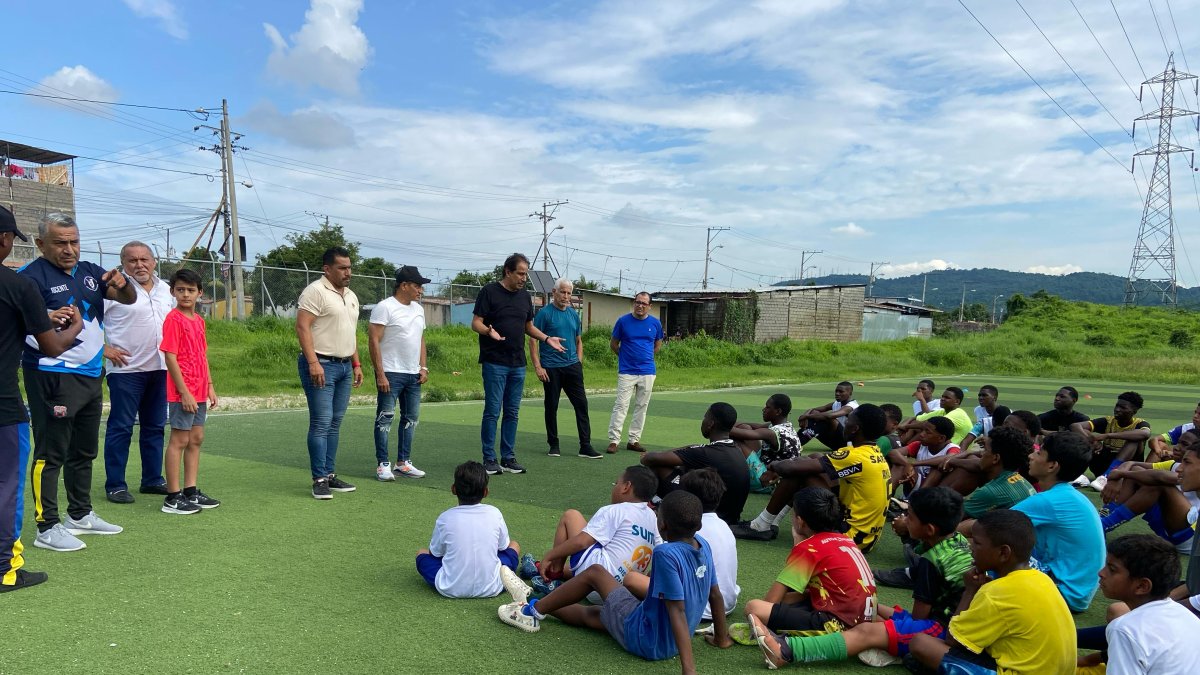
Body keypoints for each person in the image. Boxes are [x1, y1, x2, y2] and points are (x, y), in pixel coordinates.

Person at [497, 491, 733, 674]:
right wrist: (721, 639)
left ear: (662, 526)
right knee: (595, 615)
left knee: (595, 573)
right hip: (662, 636)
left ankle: (531, 611)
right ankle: (531, 599)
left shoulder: (666, 554)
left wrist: (689, 670)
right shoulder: (703, 545)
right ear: (698, 525)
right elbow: (715, 595)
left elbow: (677, 609)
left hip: (646, 637)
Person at [749, 487, 973, 669]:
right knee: (876, 611)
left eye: (910, 517)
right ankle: (885, 638)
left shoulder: (931, 561)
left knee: (867, 631)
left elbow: (919, 617)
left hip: (943, 627)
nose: (903, 519)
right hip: (953, 621)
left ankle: (787, 651)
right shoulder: (958, 541)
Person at [20, 212, 134, 552]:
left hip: (90, 374)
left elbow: (129, 300)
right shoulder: (29, 278)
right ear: (41, 244)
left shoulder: (88, 271)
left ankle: (80, 514)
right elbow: (19, 326)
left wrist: (122, 284)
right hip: (51, 375)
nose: (69, 249)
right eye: (60, 243)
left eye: (74, 241)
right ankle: (47, 526)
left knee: (84, 449)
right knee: (50, 452)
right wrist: (45, 318)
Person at [0, 206, 83, 591]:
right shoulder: (18, 285)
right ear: (6, 239)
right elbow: (50, 348)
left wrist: (39, 317)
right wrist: (74, 327)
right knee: (7, 485)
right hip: (4, 407)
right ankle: (5, 568)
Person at [904, 509, 1076, 675]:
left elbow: (953, 640)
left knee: (920, 643)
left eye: (977, 543)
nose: (971, 547)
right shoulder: (1042, 579)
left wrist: (969, 591)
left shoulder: (995, 592)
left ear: (1003, 552)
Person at [734, 404, 891, 550]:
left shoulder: (855, 456)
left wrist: (775, 466)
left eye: (848, 419)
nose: (844, 423)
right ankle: (771, 522)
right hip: (867, 538)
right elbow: (815, 460)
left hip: (849, 538)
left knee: (798, 472)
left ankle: (762, 525)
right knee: (812, 459)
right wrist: (791, 463)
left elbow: (792, 468)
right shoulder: (874, 453)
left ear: (855, 428)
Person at [472, 253, 565, 475]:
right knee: (493, 411)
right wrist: (488, 331)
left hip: (517, 363)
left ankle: (508, 457)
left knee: (512, 412)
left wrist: (546, 338)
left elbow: (528, 326)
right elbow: (476, 322)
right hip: (495, 362)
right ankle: (489, 458)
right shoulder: (489, 292)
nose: (524, 278)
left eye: (526, 274)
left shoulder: (525, 296)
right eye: (521, 273)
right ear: (508, 271)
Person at [743, 487, 877, 636]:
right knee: (796, 599)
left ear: (800, 522)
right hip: (864, 620)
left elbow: (770, 601)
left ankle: (771, 636)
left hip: (839, 626)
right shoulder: (846, 540)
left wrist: (799, 546)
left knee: (754, 607)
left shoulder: (810, 548)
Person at [518, 465, 660, 598]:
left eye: (616, 483)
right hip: (618, 593)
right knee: (605, 554)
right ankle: (538, 568)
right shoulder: (653, 517)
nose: (614, 487)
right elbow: (660, 553)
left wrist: (550, 555)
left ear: (626, 487)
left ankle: (551, 578)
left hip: (595, 580)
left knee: (571, 516)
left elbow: (582, 542)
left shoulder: (616, 510)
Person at [101, 241, 172, 504]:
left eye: (145, 259)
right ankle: (116, 484)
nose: (139, 265)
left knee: (155, 426)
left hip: (161, 368)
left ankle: (152, 479)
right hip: (126, 370)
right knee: (121, 427)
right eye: (133, 260)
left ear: (154, 261)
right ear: (123, 264)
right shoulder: (114, 291)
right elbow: (88, 319)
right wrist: (102, 347)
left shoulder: (166, 290)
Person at [1076, 534, 1200, 674]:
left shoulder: (1124, 629)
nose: (1101, 573)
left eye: (1112, 569)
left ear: (1142, 586)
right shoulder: (1188, 618)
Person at [296, 246, 363, 499]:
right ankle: (319, 479)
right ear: (327, 269)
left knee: (335, 423)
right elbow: (302, 327)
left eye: (349, 267)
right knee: (322, 422)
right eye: (342, 268)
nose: (348, 272)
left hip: (345, 365)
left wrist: (356, 363)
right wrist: (313, 363)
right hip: (321, 364)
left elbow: (350, 331)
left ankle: (330, 474)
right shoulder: (315, 291)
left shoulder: (351, 295)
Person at [1013, 431, 1106, 612]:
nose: (1031, 456)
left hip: (1064, 592)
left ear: (1052, 466)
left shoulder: (1049, 500)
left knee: (987, 546)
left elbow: (989, 527)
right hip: (1078, 592)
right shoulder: (1067, 494)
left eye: (1039, 453)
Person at [158, 269, 220, 515]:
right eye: (180, 289)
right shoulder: (173, 319)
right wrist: (183, 391)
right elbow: (170, 356)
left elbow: (202, 355)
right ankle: (172, 497)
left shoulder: (199, 320)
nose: (185, 294)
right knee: (179, 440)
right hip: (182, 392)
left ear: (200, 293)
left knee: (196, 439)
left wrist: (210, 386)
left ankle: (190, 491)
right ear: (172, 291)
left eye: (191, 290)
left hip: (199, 390)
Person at [415, 461, 524, 599]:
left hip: (450, 587)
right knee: (514, 545)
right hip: (492, 586)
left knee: (421, 553)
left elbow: (435, 554)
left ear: (453, 489)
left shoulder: (445, 518)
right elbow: (503, 547)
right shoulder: (494, 513)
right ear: (486, 492)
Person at [640, 402, 750, 526]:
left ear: (710, 424)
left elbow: (649, 459)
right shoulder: (735, 449)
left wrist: (651, 456)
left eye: (705, 417)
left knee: (659, 465)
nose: (703, 421)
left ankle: (656, 504)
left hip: (706, 516)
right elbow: (693, 448)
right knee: (684, 468)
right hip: (728, 517)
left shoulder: (705, 453)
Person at [369, 265, 430, 481]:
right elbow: (373, 340)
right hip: (391, 372)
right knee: (385, 418)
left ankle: (403, 462)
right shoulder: (385, 307)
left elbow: (420, 338)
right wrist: (380, 373)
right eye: (417, 286)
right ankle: (383, 464)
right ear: (404, 285)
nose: (420, 291)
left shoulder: (418, 310)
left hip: (413, 373)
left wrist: (423, 367)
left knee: (411, 418)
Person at [1096, 429, 1199, 552]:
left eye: (1185, 445)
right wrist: (1116, 477)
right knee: (1138, 471)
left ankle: (1102, 526)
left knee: (1157, 484)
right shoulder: (1177, 465)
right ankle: (1106, 515)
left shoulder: (1187, 472)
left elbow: (1159, 477)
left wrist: (1120, 474)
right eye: (1179, 442)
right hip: (1172, 526)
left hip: (1190, 538)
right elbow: (1132, 464)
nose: (1177, 447)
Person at [530, 278, 599, 459]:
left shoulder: (573, 314)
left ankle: (585, 446)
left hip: (572, 367)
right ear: (554, 292)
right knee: (551, 406)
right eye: (563, 292)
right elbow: (532, 340)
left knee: (581, 405)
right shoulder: (544, 314)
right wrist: (538, 366)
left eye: (569, 293)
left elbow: (578, 340)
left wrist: (579, 362)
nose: (566, 296)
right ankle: (554, 444)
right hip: (551, 368)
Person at [606, 292, 663, 453]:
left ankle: (634, 440)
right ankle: (614, 441)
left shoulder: (655, 323)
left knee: (641, 406)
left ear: (650, 306)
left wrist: (647, 357)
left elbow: (657, 344)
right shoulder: (623, 321)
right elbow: (614, 344)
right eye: (638, 302)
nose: (640, 306)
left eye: (644, 303)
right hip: (627, 371)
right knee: (621, 405)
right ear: (634, 303)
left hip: (647, 371)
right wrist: (624, 357)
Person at [1070, 391, 1151, 492]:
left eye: (1123, 408)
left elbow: (1145, 434)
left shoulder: (1140, 424)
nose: (1117, 410)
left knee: (1134, 440)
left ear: (1134, 411)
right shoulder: (1108, 421)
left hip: (1126, 469)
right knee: (1085, 432)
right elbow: (1075, 426)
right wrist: (1093, 441)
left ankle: (1107, 476)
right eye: (1117, 406)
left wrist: (1107, 435)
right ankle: (1082, 475)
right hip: (1102, 465)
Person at [729, 394, 801, 494]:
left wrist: (722, 424)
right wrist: (738, 424)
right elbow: (754, 427)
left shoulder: (773, 433)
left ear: (778, 411)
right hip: (769, 465)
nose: (764, 409)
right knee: (745, 427)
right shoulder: (784, 426)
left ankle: (727, 473)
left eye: (768, 407)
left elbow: (748, 434)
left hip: (769, 480)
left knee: (737, 441)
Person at [886, 416, 960, 492]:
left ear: (941, 438)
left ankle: (919, 499)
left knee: (937, 468)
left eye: (928, 432)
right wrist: (907, 464)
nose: (921, 434)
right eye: (922, 430)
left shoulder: (952, 448)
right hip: (917, 483)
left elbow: (948, 458)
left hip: (937, 490)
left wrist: (914, 464)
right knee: (900, 465)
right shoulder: (919, 445)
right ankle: (886, 497)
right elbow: (893, 453)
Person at [796, 381, 859, 450]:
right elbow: (813, 410)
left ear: (850, 393)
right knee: (816, 415)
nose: (837, 394)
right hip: (835, 441)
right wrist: (805, 416)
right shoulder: (836, 403)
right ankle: (797, 441)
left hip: (847, 444)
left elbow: (830, 416)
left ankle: (797, 443)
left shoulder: (851, 406)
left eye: (841, 392)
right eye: (836, 391)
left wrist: (806, 416)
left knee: (829, 419)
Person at [898, 387, 972, 445]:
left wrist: (906, 426)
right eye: (942, 397)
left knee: (927, 429)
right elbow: (918, 418)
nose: (942, 399)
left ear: (957, 401)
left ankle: (906, 447)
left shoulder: (958, 414)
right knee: (916, 423)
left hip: (955, 448)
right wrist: (904, 425)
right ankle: (902, 445)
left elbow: (927, 425)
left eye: (947, 398)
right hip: (943, 443)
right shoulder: (942, 411)